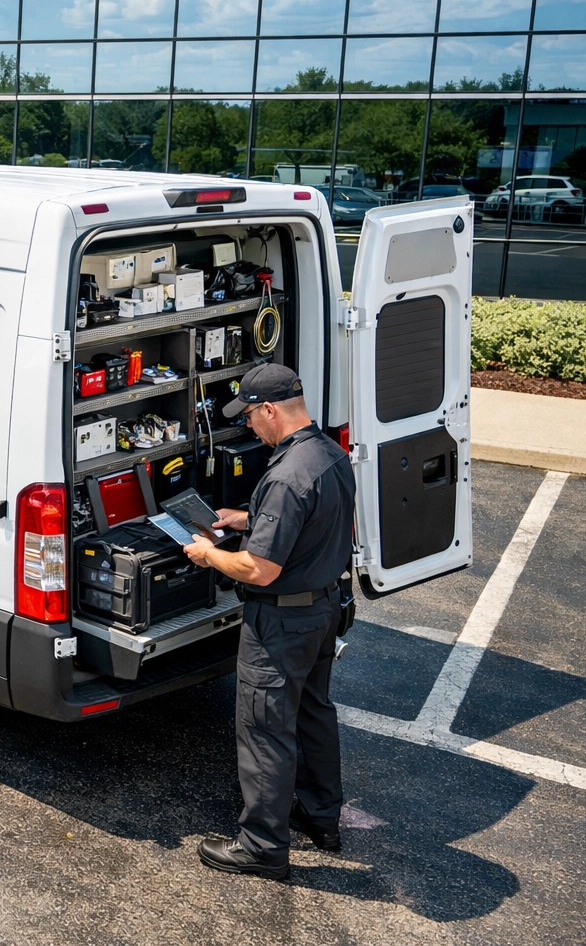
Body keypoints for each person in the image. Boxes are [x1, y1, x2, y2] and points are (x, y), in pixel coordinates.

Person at [181, 363, 355, 881]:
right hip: (324, 607)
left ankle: (261, 846)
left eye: (250, 417)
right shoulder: (328, 455)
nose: (248, 428)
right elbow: (311, 520)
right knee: (313, 712)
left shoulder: (283, 477)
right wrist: (246, 520)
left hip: (282, 623)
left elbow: (259, 568)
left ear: (270, 409)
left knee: (264, 729)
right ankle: (322, 818)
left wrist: (207, 554)